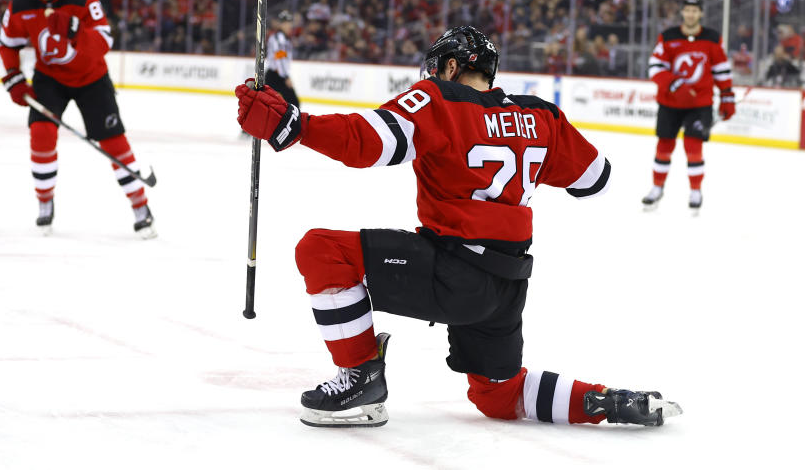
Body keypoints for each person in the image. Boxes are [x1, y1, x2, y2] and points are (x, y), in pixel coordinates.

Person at [235, 26, 681, 429]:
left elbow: (367, 140)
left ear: (451, 66)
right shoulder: (542, 116)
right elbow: (596, 179)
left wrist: (294, 126)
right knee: (499, 395)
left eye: (434, 70)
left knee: (321, 251)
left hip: (453, 274)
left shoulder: (437, 100)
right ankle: (608, 401)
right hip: (506, 288)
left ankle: (361, 379)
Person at [0, 0, 156, 238]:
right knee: (41, 134)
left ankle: (140, 205)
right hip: (49, 79)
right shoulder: (20, 5)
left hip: (91, 79)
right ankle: (45, 203)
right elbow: (8, 45)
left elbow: (105, 41)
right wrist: (14, 78)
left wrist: (76, 31)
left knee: (114, 143)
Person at [643, 0, 735, 213]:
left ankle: (695, 190)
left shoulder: (713, 39)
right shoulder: (668, 37)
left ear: (700, 12)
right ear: (682, 12)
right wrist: (675, 86)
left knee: (694, 148)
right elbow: (655, 68)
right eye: (687, 9)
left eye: (695, 10)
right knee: (664, 146)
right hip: (670, 103)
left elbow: (721, 69)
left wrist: (727, 96)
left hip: (699, 104)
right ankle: (657, 187)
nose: (691, 14)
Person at [264, 10, 300, 108]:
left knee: (291, 104)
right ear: (281, 24)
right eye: (286, 23)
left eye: (289, 23)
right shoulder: (278, 39)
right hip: (276, 75)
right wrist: (285, 77)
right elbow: (280, 59)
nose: (289, 26)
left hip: (277, 74)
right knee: (294, 103)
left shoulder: (283, 38)